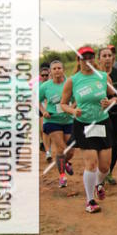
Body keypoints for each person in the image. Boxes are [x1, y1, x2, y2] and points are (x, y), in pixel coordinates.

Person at [60, 46, 117, 214]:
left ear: (94, 59)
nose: (88, 61)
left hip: (102, 123)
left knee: (105, 166)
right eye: (84, 58)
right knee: (91, 163)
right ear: (79, 60)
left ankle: (98, 183)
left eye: (91, 57)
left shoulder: (103, 77)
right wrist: (73, 111)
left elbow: (115, 96)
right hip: (83, 124)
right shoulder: (73, 80)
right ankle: (90, 200)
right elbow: (63, 104)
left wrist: (110, 102)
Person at [39, 59, 75, 188]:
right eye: (54, 69)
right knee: (61, 148)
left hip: (68, 120)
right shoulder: (45, 86)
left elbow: (77, 99)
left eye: (59, 68)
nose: (57, 71)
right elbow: (36, 100)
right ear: (50, 72)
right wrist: (43, 111)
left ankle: (65, 163)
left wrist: (72, 109)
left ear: (63, 69)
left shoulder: (70, 83)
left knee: (70, 151)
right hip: (52, 121)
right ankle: (62, 176)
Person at [98, 46, 117, 185]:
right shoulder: (95, 76)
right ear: (99, 59)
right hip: (100, 115)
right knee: (102, 144)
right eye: (104, 56)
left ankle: (109, 171)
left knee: (115, 144)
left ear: (113, 58)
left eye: (109, 55)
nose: (107, 58)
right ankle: (101, 173)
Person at [38, 64, 52, 158]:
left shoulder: (52, 83)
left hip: (51, 108)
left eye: (46, 75)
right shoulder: (37, 85)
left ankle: (48, 150)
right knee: (43, 129)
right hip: (40, 108)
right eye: (42, 75)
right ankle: (46, 148)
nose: (44, 77)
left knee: (47, 130)